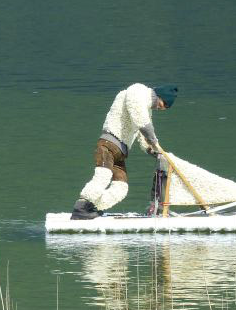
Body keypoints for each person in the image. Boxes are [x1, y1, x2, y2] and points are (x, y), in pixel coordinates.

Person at [70, 83, 178, 220]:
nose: (162, 108)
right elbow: (143, 124)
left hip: (120, 152)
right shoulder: (138, 91)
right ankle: (80, 208)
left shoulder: (145, 108)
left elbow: (142, 133)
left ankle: (92, 207)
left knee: (121, 188)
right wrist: (154, 140)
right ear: (160, 96)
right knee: (103, 176)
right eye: (164, 104)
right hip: (108, 144)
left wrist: (153, 151)